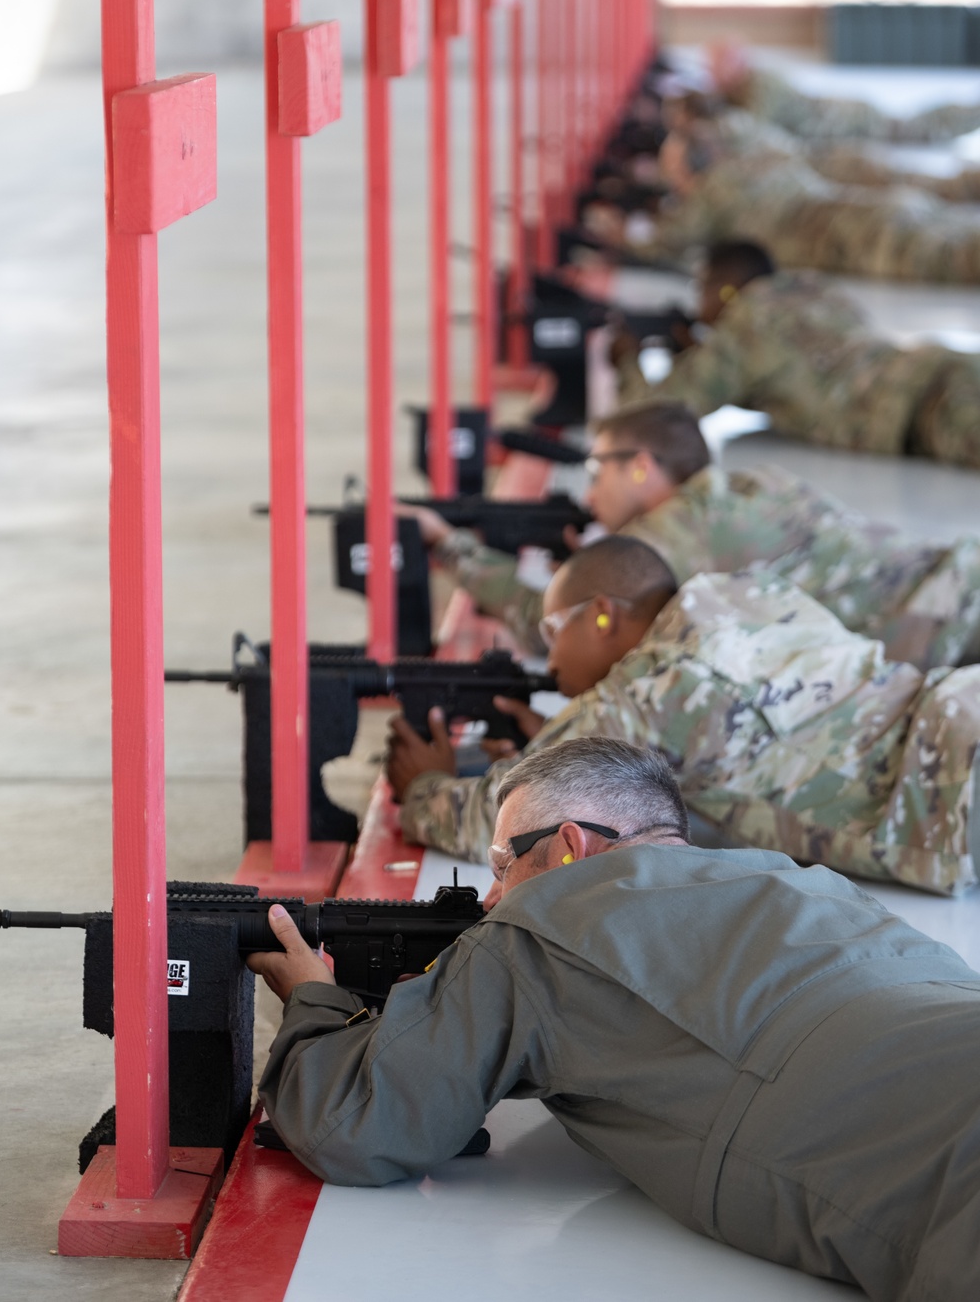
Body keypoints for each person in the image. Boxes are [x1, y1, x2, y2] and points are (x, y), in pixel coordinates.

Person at [250, 737, 980, 1302]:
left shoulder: (547, 917)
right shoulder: (803, 882)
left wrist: (314, 998)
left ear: (571, 848)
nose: (493, 900)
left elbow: (358, 1124)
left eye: (504, 865)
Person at [387, 536, 980, 895]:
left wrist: (425, 786)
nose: (551, 654)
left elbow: (505, 824)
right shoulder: (743, 590)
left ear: (601, 615)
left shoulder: (650, 692)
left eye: (551, 630)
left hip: (950, 786)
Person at [409, 400, 980, 671]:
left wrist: (446, 545)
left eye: (597, 470)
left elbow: (554, 626)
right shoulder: (746, 485)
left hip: (946, 625)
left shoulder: (678, 527)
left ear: (640, 467)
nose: (588, 495)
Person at [615, 239, 980, 474]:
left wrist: (627, 360)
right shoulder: (809, 288)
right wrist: (697, 353)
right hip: (941, 369)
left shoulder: (750, 322)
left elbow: (649, 416)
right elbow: (798, 364)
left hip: (930, 409)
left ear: (725, 289)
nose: (698, 303)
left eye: (702, 288)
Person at [586, 111, 980, 284]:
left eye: (674, 175)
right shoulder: (751, 160)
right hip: (877, 208)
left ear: (691, 171)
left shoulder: (713, 191)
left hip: (865, 241)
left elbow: (661, 245)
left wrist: (614, 231)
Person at [711, 40, 980, 144]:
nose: (712, 72)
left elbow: (758, 129)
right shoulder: (738, 89)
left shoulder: (761, 83)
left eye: (719, 64)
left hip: (845, 120)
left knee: (920, 130)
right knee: (912, 126)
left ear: (739, 62)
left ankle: (972, 114)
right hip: (836, 122)